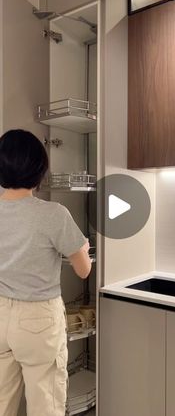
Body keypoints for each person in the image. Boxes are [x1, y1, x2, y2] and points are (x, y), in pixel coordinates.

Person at [0, 129, 91, 416]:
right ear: (39, 169)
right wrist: (84, 248)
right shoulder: (54, 214)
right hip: (39, 319)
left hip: (1, 313)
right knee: (46, 404)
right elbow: (83, 269)